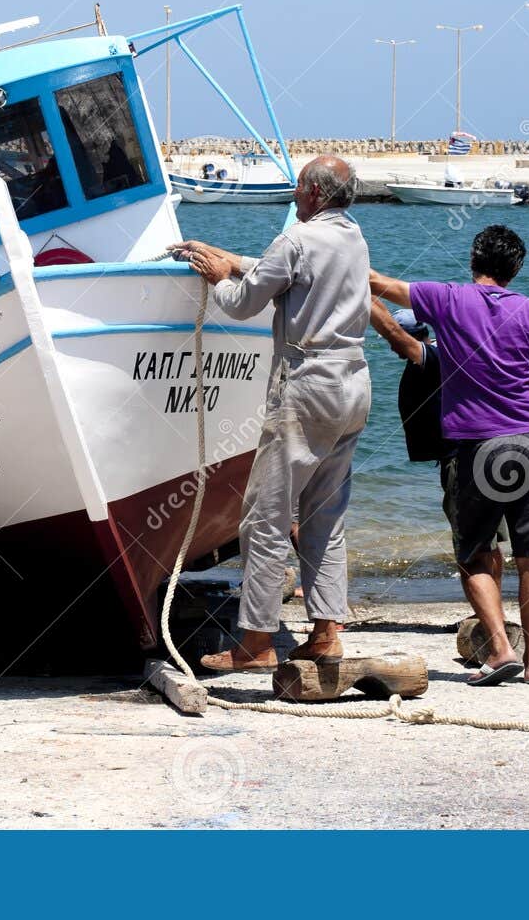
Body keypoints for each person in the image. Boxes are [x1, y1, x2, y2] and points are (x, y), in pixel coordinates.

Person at [171, 155, 371, 672]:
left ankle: (256, 643)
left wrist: (217, 275)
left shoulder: (297, 239)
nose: (294, 195)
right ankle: (327, 632)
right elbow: (282, 272)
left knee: (265, 515)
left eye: (299, 187)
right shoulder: (353, 237)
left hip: (306, 385)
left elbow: (240, 303)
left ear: (314, 194)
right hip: (353, 382)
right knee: (327, 514)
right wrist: (232, 258)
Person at [369, 225, 529, 686]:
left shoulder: (447, 299)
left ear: (474, 259)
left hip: (477, 446)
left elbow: (377, 283)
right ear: (516, 268)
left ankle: (498, 649)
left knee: (473, 553)